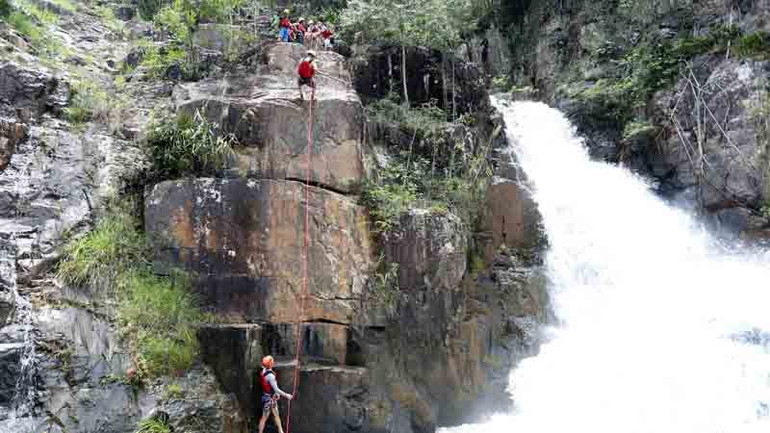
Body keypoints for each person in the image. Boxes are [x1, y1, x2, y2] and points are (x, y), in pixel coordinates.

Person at [258, 356, 293, 433]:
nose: (273, 362)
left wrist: (276, 394)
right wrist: (286, 395)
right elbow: (276, 388)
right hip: (269, 399)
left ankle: (281, 431)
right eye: (272, 362)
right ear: (269, 364)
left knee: (275, 415)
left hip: (268, 396)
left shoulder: (264, 371)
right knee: (265, 417)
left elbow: (271, 387)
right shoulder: (270, 376)